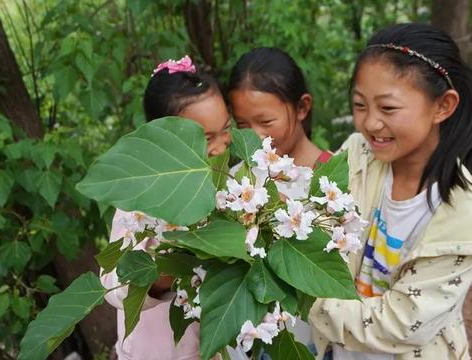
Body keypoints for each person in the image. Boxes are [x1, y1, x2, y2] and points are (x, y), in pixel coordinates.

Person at [309, 23, 472, 360]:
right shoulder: (358, 153)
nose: (371, 123)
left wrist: (305, 296)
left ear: (443, 106)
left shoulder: (467, 221)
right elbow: (320, 227)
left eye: (388, 108)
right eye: (360, 105)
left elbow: (401, 325)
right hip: (339, 349)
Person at [101, 55, 231, 360]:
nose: (221, 146)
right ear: (163, 140)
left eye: (226, 130)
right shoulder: (141, 200)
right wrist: (161, 273)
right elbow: (111, 282)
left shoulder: (230, 186)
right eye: (206, 137)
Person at [228, 47, 331, 169]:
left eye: (266, 122)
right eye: (242, 124)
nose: (255, 137)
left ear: (301, 107)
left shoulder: (340, 175)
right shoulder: (238, 180)